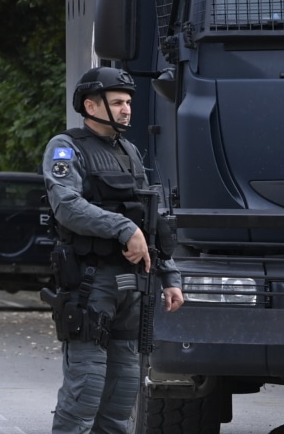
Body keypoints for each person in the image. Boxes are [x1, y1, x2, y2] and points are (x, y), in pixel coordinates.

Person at [45, 67, 185, 434]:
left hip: (131, 287)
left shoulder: (128, 151)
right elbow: (67, 206)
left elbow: (148, 218)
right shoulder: (65, 147)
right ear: (91, 105)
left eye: (128, 103)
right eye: (118, 102)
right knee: (86, 392)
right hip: (91, 286)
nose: (127, 110)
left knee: (123, 395)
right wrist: (124, 229)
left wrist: (170, 275)